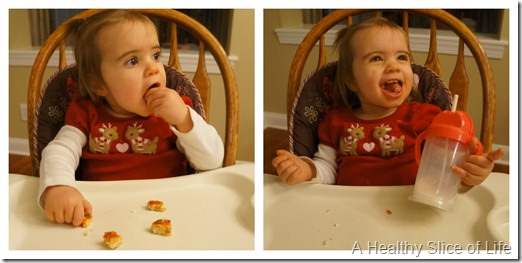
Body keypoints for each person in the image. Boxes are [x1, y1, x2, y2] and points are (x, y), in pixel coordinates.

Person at [38, 10, 224, 226]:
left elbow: (213, 162)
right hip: (104, 214)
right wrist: (59, 186)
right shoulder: (86, 113)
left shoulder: (175, 112)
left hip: (168, 212)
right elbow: (59, 151)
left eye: (155, 55)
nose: (154, 68)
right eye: (133, 61)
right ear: (99, 83)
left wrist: (184, 119)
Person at [272, 17, 503, 186]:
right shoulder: (335, 122)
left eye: (402, 57)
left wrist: (471, 170)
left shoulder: (427, 118)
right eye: (377, 58)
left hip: (410, 210)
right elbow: (327, 169)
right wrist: (306, 169)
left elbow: (447, 169)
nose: (393, 65)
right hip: (348, 213)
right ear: (351, 80)